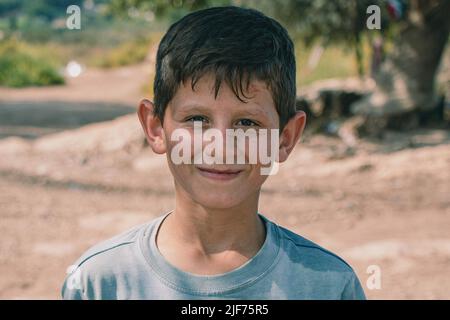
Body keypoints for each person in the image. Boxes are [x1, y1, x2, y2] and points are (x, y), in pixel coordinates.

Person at [62, 6, 366, 300]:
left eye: (247, 122)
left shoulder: (327, 285)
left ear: (285, 138)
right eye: (196, 119)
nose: (221, 145)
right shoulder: (100, 283)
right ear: (155, 128)